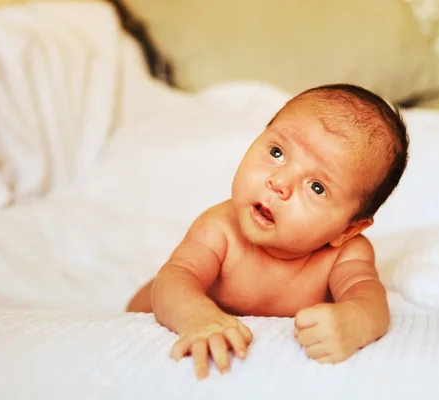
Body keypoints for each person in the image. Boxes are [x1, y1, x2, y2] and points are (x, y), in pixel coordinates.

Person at [127, 83, 409, 379]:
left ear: (348, 229)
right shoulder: (219, 228)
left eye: (317, 187)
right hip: (149, 304)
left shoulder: (345, 255)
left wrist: (354, 322)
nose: (279, 182)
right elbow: (174, 279)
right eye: (277, 152)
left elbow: (369, 299)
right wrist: (197, 316)